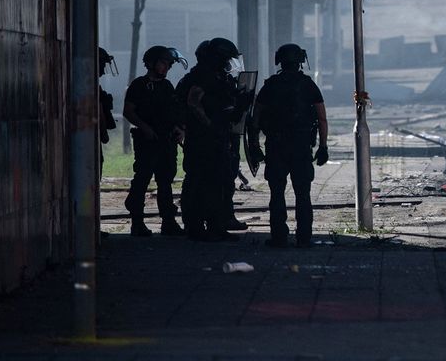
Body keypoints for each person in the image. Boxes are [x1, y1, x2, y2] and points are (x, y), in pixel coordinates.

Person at [247, 43, 329, 248]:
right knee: (303, 194)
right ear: (300, 61)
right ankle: (304, 238)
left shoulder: (270, 85)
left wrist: (254, 145)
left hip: (276, 146)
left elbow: (255, 118)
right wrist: (323, 146)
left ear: (280, 61)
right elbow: (322, 119)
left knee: (277, 194)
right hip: (301, 147)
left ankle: (279, 237)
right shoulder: (308, 85)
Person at [177, 38, 253, 242]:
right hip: (204, 139)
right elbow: (194, 102)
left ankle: (214, 225)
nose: (229, 63)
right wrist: (209, 125)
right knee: (201, 182)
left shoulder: (217, 77)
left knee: (217, 181)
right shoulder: (203, 76)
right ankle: (197, 226)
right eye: (226, 58)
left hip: (215, 137)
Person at [122, 46, 187, 236]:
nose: (166, 67)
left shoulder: (166, 86)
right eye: (163, 63)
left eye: (168, 64)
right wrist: (145, 127)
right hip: (147, 140)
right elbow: (129, 111)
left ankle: (168, 221)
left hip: (166, 140)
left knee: (165, 181)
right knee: (142, 179)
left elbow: (173, 111)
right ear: (151, 63)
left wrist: (178, 128)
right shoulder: (139, 85)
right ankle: (137, 222)